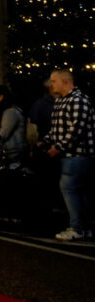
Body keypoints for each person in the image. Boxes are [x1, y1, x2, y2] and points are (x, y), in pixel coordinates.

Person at [44, 69, 95, 241]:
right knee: (78, 191)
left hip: (78, 154)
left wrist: (58, 147)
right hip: (69, 155)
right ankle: (85, 227)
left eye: (54, 81)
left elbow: (75, 130)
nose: (51, 84)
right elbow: (58, 128)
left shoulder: (78, 100)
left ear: (65, 81)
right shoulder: (61, 101)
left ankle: (76, 228)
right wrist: (45, 141)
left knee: (69, 188)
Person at [0, 85, 27, 167]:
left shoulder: (10, 112)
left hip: (12, 153)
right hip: (10, 152)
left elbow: (3, 134)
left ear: (1, 97)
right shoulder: (6, 111)